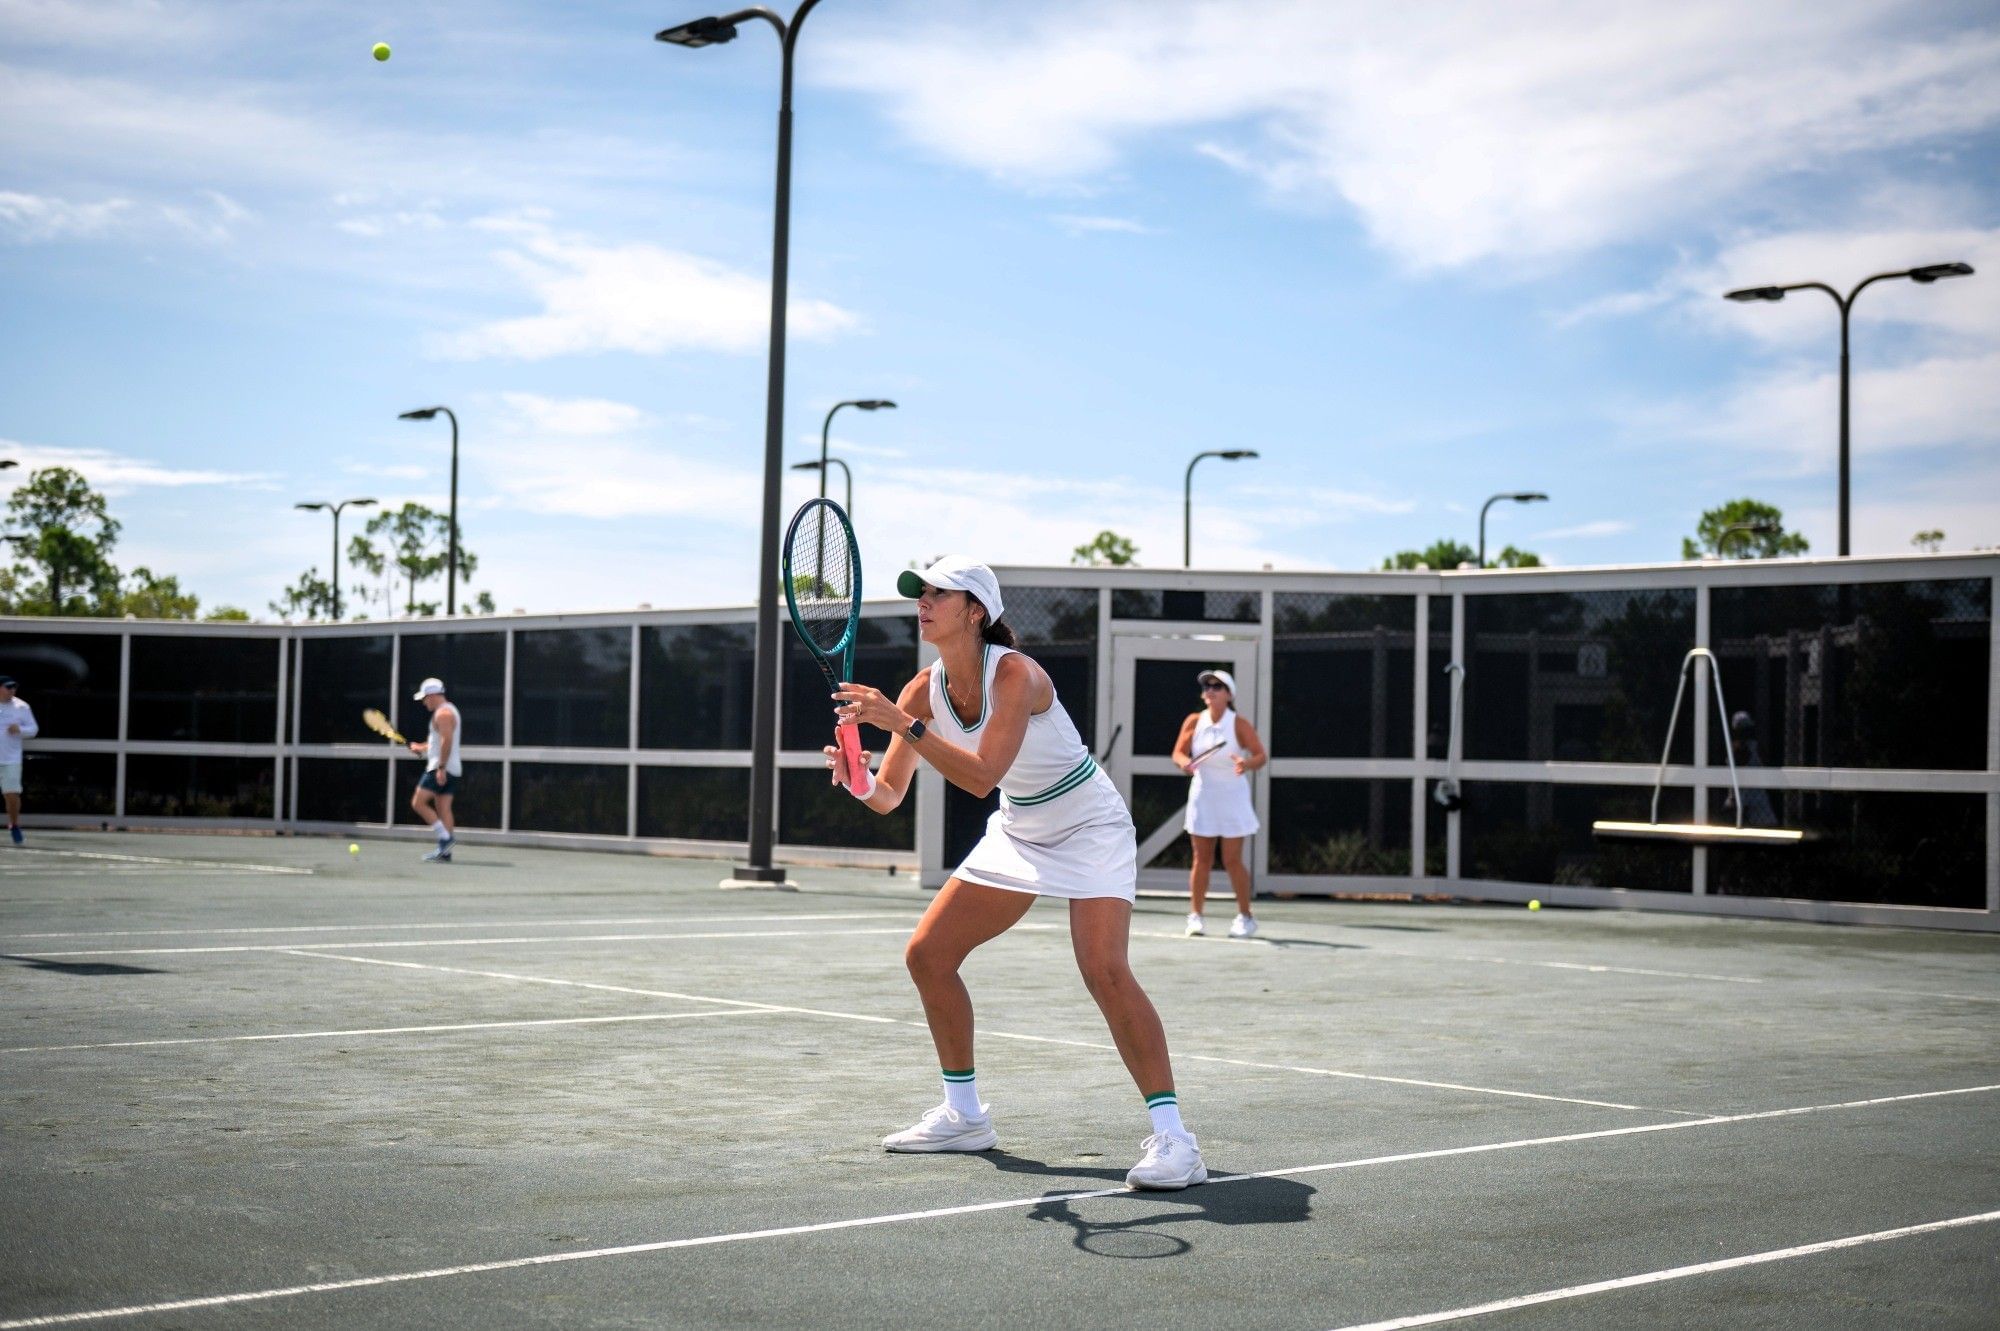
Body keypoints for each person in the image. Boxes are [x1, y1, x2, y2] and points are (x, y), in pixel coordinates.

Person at [830, 556, 1207, 1190]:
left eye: (937, 595)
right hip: (1020, 828)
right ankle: (965, 1115)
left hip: (1090, 826)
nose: (922, 603)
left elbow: (981, 777)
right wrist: (857, 777)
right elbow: (889, 794)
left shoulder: (1019, 676)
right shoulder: (921, 690)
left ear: (975, 611)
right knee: (928, 954)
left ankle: (1176, 1140)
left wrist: (900, 724)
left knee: (1104, 969)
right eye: (918, 595)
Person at [1173, 668, 1267, 938]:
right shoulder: (1193, 721)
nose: (1210, 691)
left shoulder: (1239, 724)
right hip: (1203, 794)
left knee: (1232, 860)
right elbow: (1179, 752)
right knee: (1201, 859)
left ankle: (1245, 917)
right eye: (1206, 687)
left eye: (1217, 686)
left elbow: (1261, 755)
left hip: (1233, 797)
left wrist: (1246, 763)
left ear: (1229, 694)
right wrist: (1185, 764)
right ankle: (1196, 917)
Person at [407, 677, 460, 863]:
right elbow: (437, 743)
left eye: (425, 698)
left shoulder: (443, 714)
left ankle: (445, 839)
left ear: (432, 695)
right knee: (443, 808)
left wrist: (441, 768)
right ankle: (445, 853)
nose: (423, 702)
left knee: (418, 803)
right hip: (451, 768)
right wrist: (421, 748)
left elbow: (447, 741)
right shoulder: (447, 711)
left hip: (441, 767)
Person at [0, 676, 38, 845]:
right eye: (8, 687)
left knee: (11, 795)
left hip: (11, 759)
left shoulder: (22, 707)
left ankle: (14, 825)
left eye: (14, 687)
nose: (12, 690)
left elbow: (33, 729)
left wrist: (20, 729)